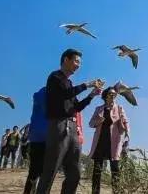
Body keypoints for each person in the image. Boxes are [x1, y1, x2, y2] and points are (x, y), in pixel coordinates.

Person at [35, 48, 103, 194]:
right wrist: (87, 84)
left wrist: (92, 95)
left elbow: (76, 106)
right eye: (76, 61)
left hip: (72, 129)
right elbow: (65, 94)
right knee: (50, 170)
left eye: (80, 63)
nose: (78, 65)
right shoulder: (55, 77)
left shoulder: (70, 83)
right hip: (58, 126)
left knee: (74, 173)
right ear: (66, 60)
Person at [88, 86, 130, 194]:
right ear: (105, 96)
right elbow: (91, 123)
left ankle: (116, 192)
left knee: (115, 169)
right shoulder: (99, 109)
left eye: (114, 94)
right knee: (97, 170)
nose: (113, 96)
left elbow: (126, 122)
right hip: (100, 142)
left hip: (114, 142)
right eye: (111, 94)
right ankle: (95, 192)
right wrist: (98, 121)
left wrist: (127, 133)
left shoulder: (119, 108)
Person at [23, 87, 48, 194]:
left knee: (34, 170)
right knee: (40, 171)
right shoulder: (46, 95)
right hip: (44, 138)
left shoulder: (39, 95)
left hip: (36, 137)